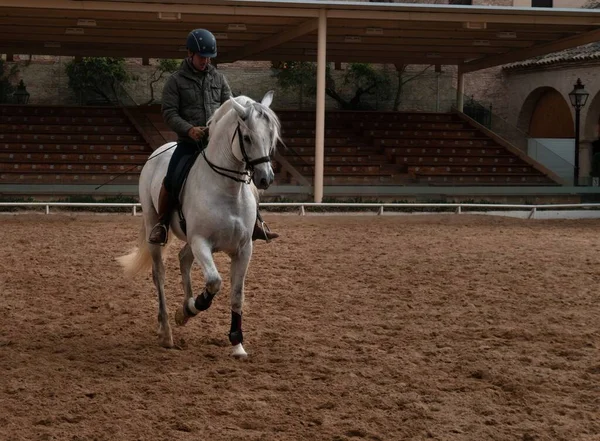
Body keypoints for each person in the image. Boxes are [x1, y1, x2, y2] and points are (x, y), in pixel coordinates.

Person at [148, 28, 279, 245]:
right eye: (202, 57)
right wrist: (189, 129)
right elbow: (169, 113)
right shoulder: (176, 81)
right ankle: (162, 224)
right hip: (189, 143)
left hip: (216, 144)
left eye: (209, 57)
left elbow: (230, 107)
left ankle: (255, 221)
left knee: (246, 176)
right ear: (190, 54)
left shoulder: (218, 78)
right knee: (171, 177)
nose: (205, 61)